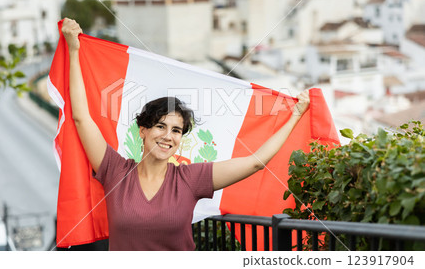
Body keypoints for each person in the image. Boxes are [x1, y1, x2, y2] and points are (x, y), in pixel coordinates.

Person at [61, 18, 310, 251]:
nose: (168, 136)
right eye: (160, 126)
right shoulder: (116, 171)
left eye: (176, 130)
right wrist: (74, 51)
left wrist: (296, 115)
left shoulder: (190, 179)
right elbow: (81, 119)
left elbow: (255, 162)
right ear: (143, 131)